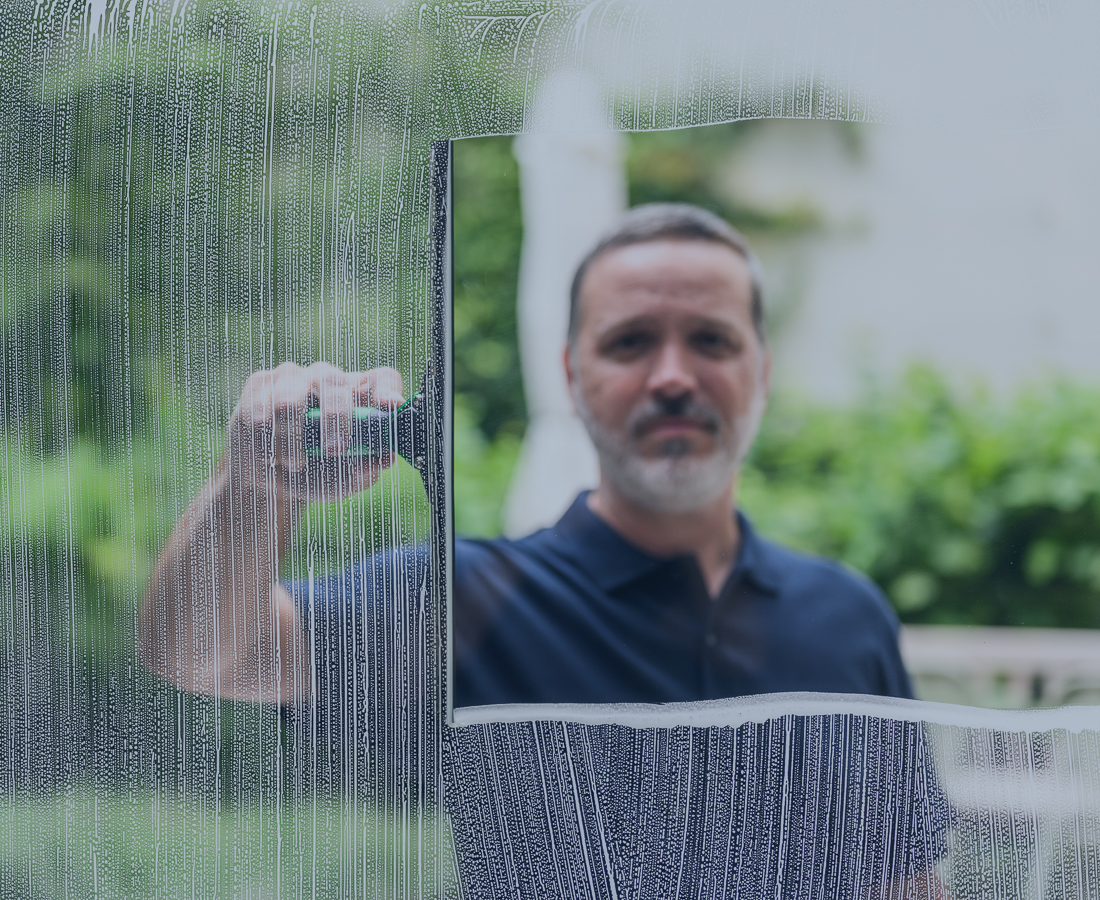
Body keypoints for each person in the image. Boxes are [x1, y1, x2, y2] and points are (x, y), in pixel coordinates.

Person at [139, 203, 951, 898]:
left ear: (761, 373)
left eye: (711, 340)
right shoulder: (467, 602)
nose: (673, 376)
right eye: (630, 342)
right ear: (570, 376)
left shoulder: (847, 618)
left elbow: (904, 883)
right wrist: (253, 482)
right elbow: (201, 653)